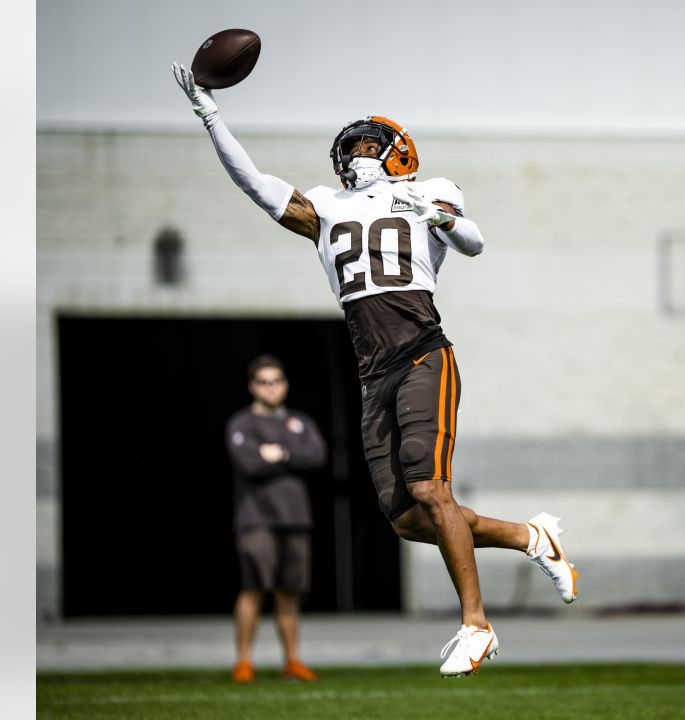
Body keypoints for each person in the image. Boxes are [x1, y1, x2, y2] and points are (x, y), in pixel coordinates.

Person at [173, 63, 579, 677]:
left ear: (399, 154)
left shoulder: (428, 188)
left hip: (423, 353)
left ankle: (476, 626)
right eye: (351, 147)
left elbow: (474, 243)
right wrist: (212, 115)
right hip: (373, 374)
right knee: (412, 521)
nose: (359, 155)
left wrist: (436, 213)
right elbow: (256, 184)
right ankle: (531, 538)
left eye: (371, 145)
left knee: (429, 489)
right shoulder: (329, 207)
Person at [226, 354, 327, 683]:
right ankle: (243, 662)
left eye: (277, 381)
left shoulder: (299, 421)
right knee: (254, 588)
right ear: (253, 386)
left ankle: (292, 661)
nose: (272, 388)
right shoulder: (241, 424)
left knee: (289, 592)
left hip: (295, 519)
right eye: (264, 382)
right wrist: (287, 456)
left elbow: (317, 456)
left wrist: (279, 453)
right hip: (256, 519)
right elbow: (249, 463)